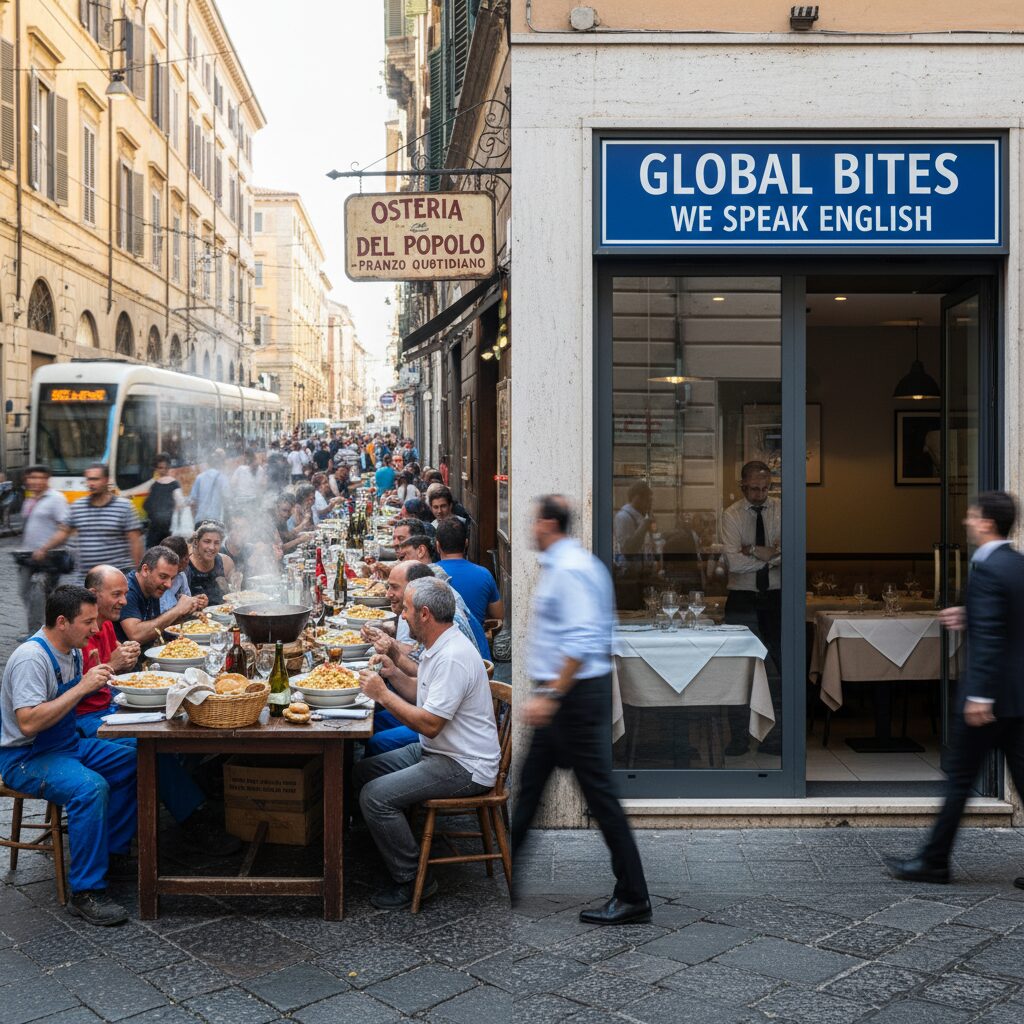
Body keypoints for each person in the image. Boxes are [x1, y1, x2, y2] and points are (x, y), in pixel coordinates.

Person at [512, 495, 651, 926]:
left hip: (569, 697)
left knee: (599, 798)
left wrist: (550, 695)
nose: (530, 528)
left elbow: (578, 642)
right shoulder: (573, 564)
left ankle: (634, 895)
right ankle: (505, 873)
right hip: (568, 695)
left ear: (549, 524)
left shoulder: (571, 570)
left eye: (535, 521)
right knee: (531, 786)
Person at [885, 491, 1024, 886]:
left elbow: (995, 637)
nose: (966, 522)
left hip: (989, 700)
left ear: (987, 523)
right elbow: (1011, 621)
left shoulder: (987, 569)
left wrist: (980, 694)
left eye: (972, 516)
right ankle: (933, 860)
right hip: (1017, 697)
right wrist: (969, 614)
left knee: (960, 780)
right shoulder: (1017, 565)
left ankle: (933, 862)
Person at [355, 577, 500, 910]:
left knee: (374, 797)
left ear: (423, 614)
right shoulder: (441, 645)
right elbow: (422, 693)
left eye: (406, 609)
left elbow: (430, 724)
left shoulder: (451, 656)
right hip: (442, 752)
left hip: (465, 765)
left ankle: (410, 877)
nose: (401, 616)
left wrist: (381, 695)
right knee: (363, 771)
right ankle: (386, 847)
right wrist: (393, 675)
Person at [0, 586, 136, 925]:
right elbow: (29, 722)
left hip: (64, 743)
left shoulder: (72, 650)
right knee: (89, 788)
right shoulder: (33, 658)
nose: (95, 629)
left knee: (136, 760)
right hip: (25, 757)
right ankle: (86, 891)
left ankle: (110, 852)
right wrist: (83, 687)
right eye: (88, 622)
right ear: (62, 622)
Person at [720, 461, 782, 756]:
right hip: (742, 598)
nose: (760, 494)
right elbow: (734, 563)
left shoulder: (782, 509)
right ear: (742, 486)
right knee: (737, 668)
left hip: (776, 596)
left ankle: (778, 736)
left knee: (780, 669)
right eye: (754, 488)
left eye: (765, 488)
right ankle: (738, 738)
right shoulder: (731, 515)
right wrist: (770, 554)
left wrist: (752, 550)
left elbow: (790, 553)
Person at [34, 463, 143, 584]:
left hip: (116, 577)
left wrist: (138, 575)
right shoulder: (78, 506)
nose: (91, 483)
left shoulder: (124, 507)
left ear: (106, 480)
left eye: (95, 479)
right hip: (86, 578)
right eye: (88, 479)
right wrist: (44, 549)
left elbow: (135, 542)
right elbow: (63, 532)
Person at [396, 534, 490, 657]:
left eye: (403, 557)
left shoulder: (449, 653)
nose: (388, 594)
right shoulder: (440, 587)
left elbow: (416, 661)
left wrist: (393, 648)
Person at [16, 464, 70, 636]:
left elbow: (65, 528)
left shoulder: (56, 499)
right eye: (32, 478)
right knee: (24, 592)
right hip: (28, 557)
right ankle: (39, 629)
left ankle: (39, 633)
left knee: (39, 597)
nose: (35, 481)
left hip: (49, 558)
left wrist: (45, 548)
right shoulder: (30, 500)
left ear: (47, 479)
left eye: (40, 477)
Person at [115, 545, 204, 647]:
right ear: (145, 570)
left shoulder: (152, 587)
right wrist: (177, 610)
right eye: (163, 576)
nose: (169, 584)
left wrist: (185, 612)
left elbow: (159, 625)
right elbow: (136, 635)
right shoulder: (128, 590)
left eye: (172, 578)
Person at [436, 518, 503, 629]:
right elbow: (499, 614)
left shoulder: (427, 574)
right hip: (476, 644)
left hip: (440, 644)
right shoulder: (484, 574)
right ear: (466, 543)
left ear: (437, 545)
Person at [613, 481, 659, 609]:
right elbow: (628, 549)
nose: (650, 504)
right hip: (628, 578)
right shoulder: (624, 517)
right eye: (647, 500)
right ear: (637, 497)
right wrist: (644, 526)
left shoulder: (640, 517)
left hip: (642, 576)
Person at [186, 522, 235, 605]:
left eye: (216, 543)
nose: (212, 547)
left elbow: (235, 594)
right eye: (207, 541)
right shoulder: (186, 565)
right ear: (197, 542)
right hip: (193, 616)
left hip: (222, 614)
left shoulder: (226, 562)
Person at [143, 454, 183, 549]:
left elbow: (147, 505)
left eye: (163, 468)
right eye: (161, 468)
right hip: (169, 528)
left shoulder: (154, 485)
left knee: (153, 555)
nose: (163, 470)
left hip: (155, 529)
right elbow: (180, 504)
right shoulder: (174, 484)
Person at [157, 535, 196, 613]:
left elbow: (187, 601)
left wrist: (195, 602)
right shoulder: (156, 580)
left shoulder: (181, 576)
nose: (169, 583)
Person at [189, 450, 229, 525]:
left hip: (200, 520)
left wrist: (195, 519)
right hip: (215, 520)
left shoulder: (199, 478)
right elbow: (227, 501)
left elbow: (192, 503)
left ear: (208, 464)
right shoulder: (223, 478)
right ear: (219, 464)